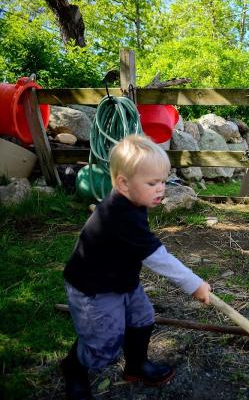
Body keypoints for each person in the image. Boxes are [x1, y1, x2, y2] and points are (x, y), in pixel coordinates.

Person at [60, 135, 212, 400]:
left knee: (142, 319)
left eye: (163, 181)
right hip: (93, 288)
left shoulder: (132, 200)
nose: (161, 189)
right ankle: (73, 368)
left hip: (122, 279)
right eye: (152, 183)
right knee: (103, 341)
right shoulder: (120, 214)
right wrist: (194, 284)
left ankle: (136, 365)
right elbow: (156, 256)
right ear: (123, 183)